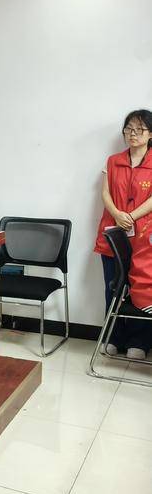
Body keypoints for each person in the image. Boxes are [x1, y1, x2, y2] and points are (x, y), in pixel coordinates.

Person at [95, 109, 152, 360]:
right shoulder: (113, 160)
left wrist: (131, 215)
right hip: (114, 233)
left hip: (144, 237)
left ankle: (140, 341)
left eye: (140, 129)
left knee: (142, 288)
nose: (133, 134)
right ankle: (113, 337)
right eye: (129, 128)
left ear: (150, 134)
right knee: (113, 287)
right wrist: (118, 214)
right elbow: (105, 192)